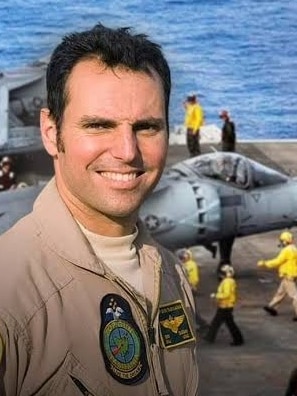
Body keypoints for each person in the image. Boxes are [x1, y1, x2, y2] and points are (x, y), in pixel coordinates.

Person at [0, 23, 199, 395]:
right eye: (98, 125)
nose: (127, 151)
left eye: (147, 127)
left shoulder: (170, 276)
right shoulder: (10, 294)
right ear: (50, 131)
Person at [257, 230, 297, 321]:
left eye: (281, 241)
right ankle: (271, 307)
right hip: (291, 275)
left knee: (294, 295)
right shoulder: (294, 249)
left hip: (288, 276)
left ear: (284, 241)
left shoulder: (286, 251)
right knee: (280, 292)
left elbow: (277, 261)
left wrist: (264, 263)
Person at [204, 264, 244, 346]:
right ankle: (209, 337)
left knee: (222, 323)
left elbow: (226, 294)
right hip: (226, 305)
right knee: (222, 322)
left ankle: (238, 339)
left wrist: (216, 296)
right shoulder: (229, 281)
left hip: (225, 306)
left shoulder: (227, 282)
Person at [178, 249, 209, 334]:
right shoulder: (186, 264)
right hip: (187, 289)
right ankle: (201, 324)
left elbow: (193, 278)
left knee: (190, 308)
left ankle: (201, 324)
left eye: (182, 257)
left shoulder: (190, 265)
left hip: (189, 289)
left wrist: (191, 285)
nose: (182, 259)